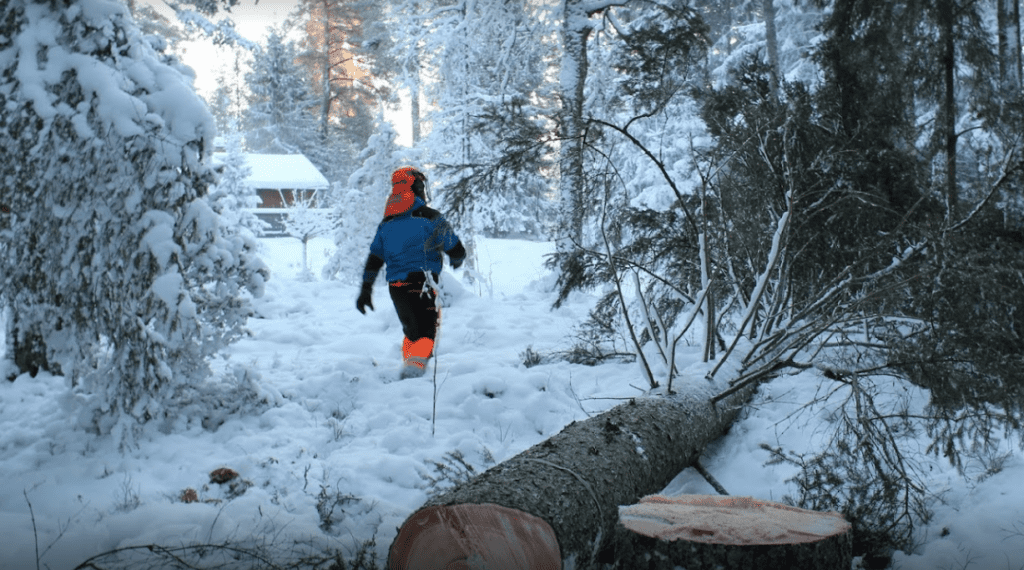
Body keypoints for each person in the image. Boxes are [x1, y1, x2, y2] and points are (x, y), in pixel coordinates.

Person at [356, 167, 466, 378]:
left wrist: (365, 290)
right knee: (426, 333)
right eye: (421, 186)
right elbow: (454, 246)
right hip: (423, 282)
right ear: (415, 188)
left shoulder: (386, 224)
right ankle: (414, 372)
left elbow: (374, 260)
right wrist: (457, 258)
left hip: (396, 287)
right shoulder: (429, 217)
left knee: (411, 331)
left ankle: (410, 366)